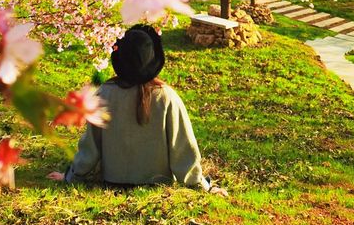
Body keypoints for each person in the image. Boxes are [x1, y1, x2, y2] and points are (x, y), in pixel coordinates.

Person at [49, 24, 226, 194]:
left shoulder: (104, 94)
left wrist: (70, 176)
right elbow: (182, 151)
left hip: (113, 182)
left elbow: (90, 149)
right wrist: (204, 187)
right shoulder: (167, 98)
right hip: (157, 185)